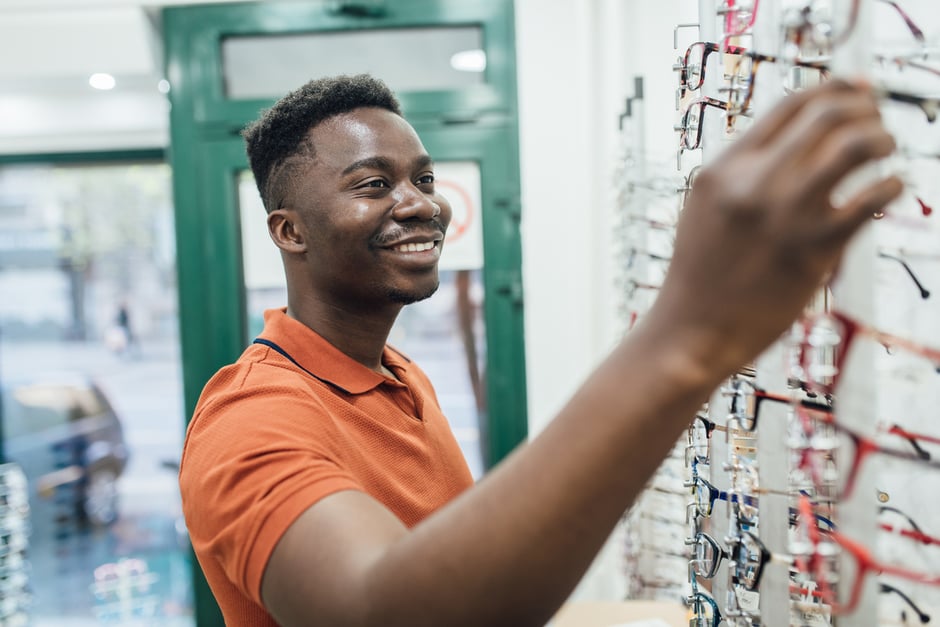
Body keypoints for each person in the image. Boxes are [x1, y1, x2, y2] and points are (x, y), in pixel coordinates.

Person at [178, 73, 901, 626]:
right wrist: (686, 332)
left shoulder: (398, 378)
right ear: (290, 232)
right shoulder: (250, 420)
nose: (421, 203)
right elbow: (381, 609)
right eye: (373, 185)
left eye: (424, 179)